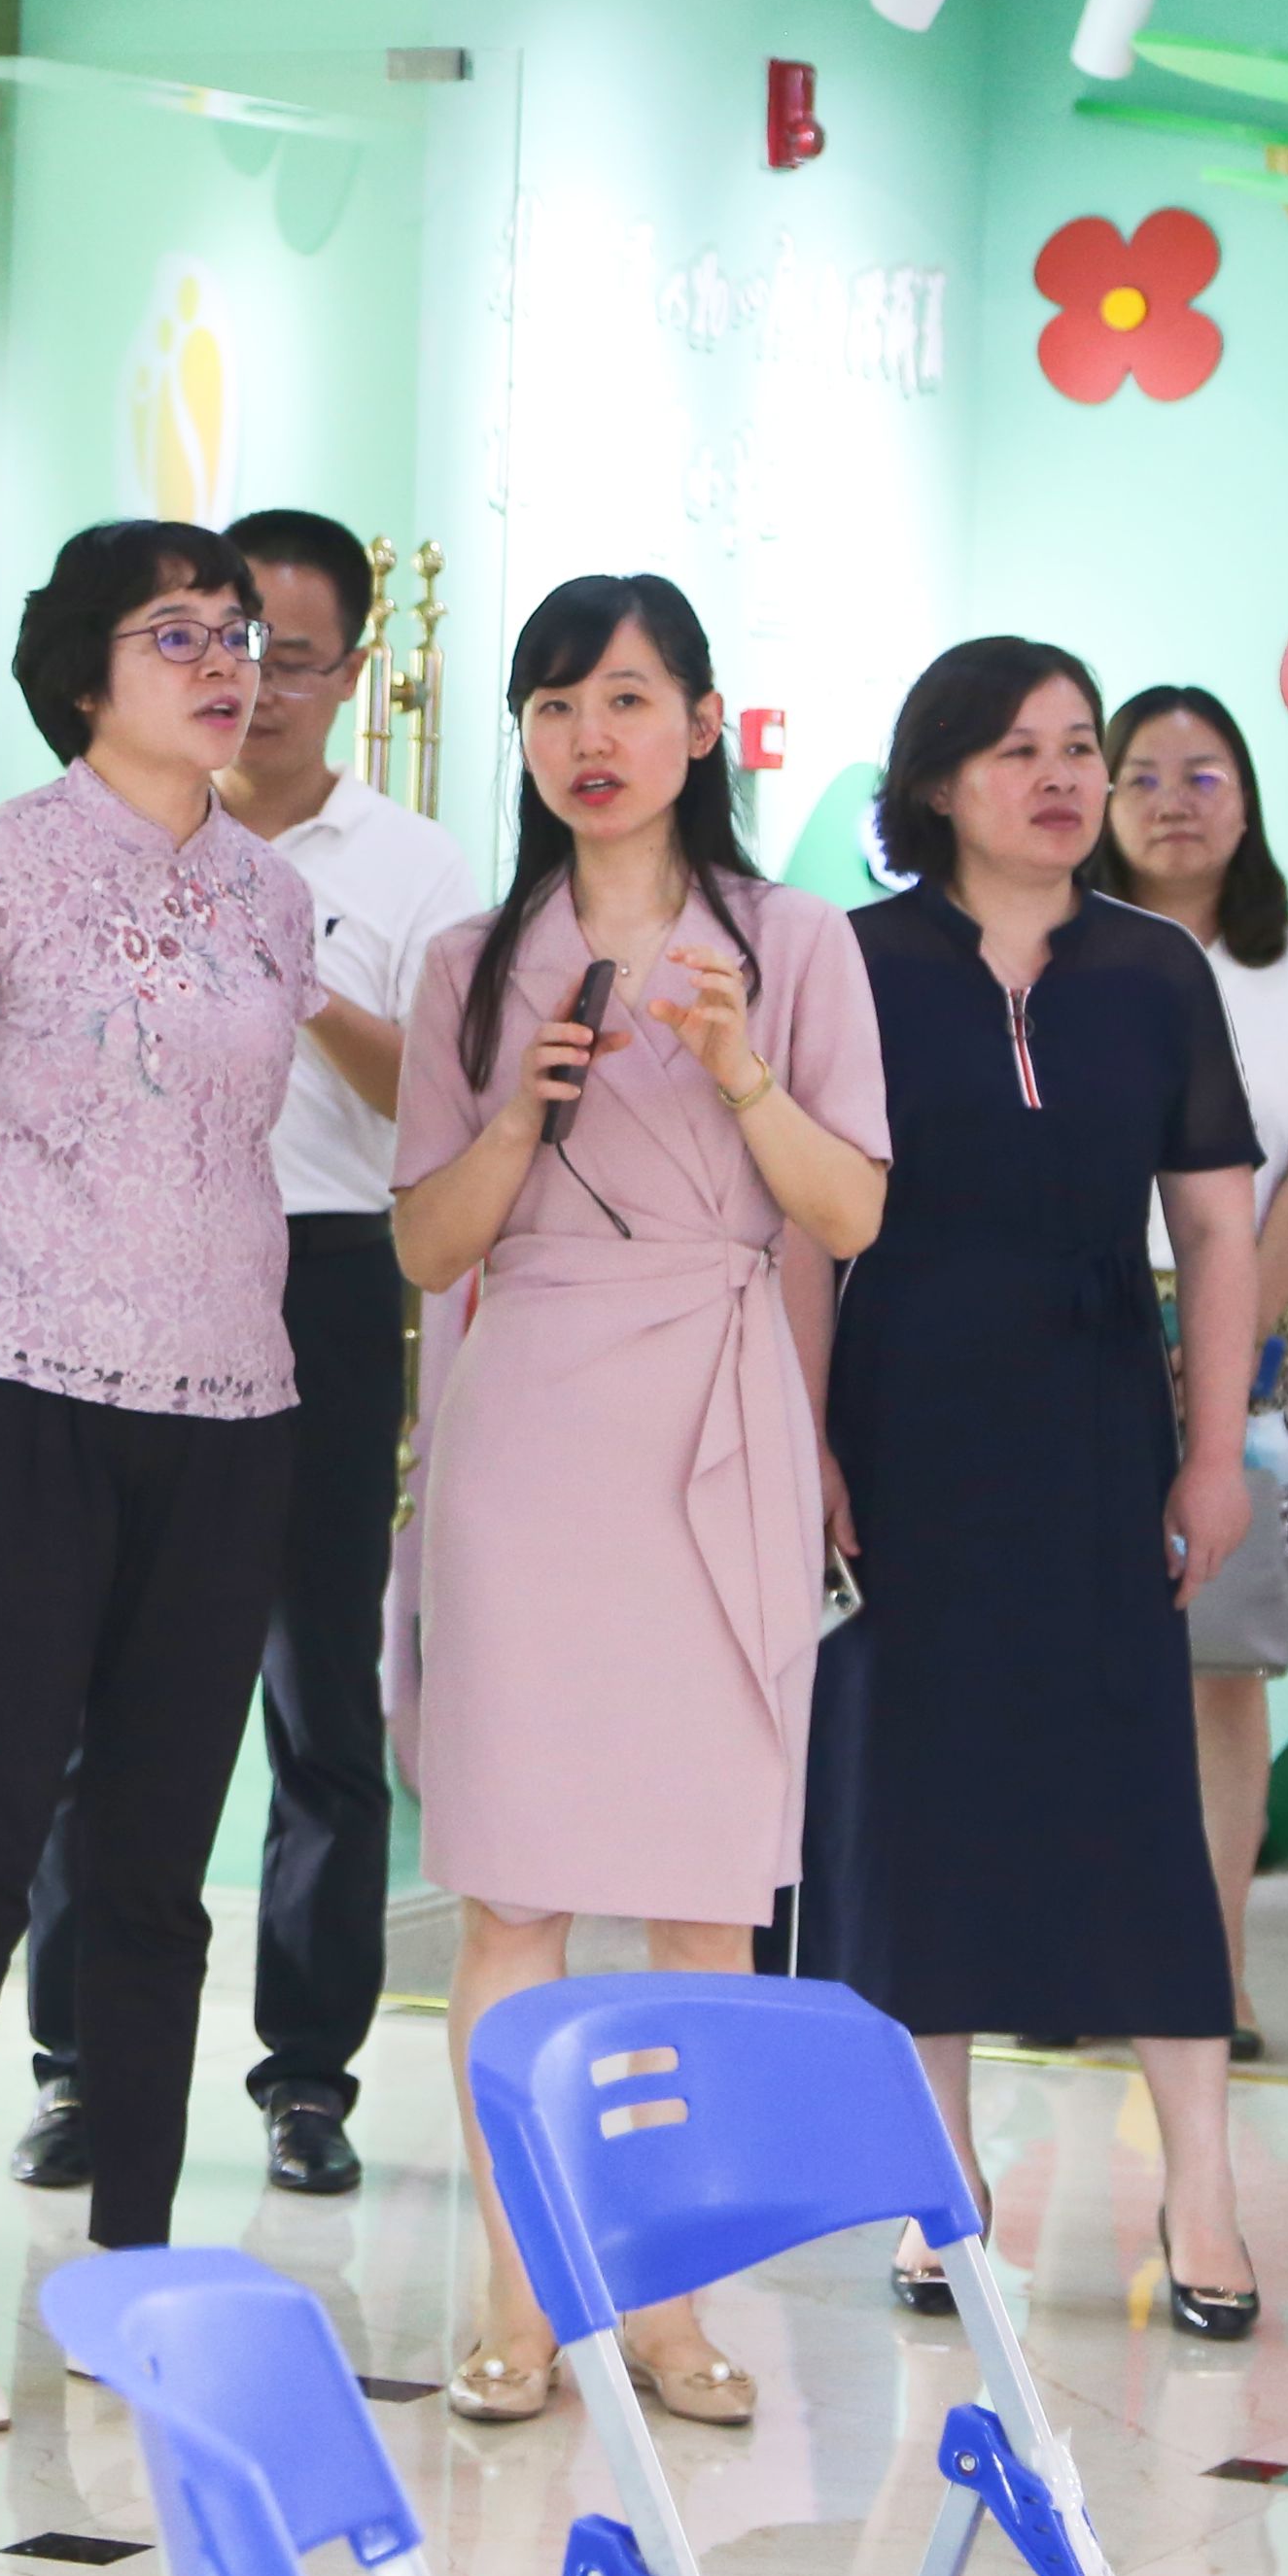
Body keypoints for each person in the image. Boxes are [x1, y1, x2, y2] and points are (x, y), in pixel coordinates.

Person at [0, 523, 322, 2433]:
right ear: (83, 671)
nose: (225, 665)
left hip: (229, 1414)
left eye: (240, 634)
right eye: (175, 634)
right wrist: (1, 1301)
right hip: (9, 1414)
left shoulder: (273, 897)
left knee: (155, 1866)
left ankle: (129, 2255)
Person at [399, 573, 888, 2421]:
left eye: (622, 698)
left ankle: (676, 2307)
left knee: (703, 1898)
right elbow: (425, 1246)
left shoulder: (795, 942)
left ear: (700, 722)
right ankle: (517, 2295)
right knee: (514, 1896)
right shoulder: (467, 961)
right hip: (527, 1428)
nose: (587, 739)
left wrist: (742, 1074)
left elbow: (850, 1211)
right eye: (550, 706)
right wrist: (516, 1117)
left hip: (715, 1412)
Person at [11, 511, 484, 2202]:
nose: (249, 679)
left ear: (351, 673)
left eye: (285, 653)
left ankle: (306, 2076)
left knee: (318, 1698)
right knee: (91, 1688)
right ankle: (78, 2063)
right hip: (116, 1278)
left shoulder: (412, 868)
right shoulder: (78, 844)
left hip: (324, 1277)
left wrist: (300, 982)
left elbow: (438, 1105)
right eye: (213, 642)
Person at [807, 643, 1262, 2332]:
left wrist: (1211, 1449)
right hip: (903, 1419)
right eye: (1019, 750)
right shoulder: (851, 964)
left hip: (1095, 1424)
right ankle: (942, 2186)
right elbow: (801, 1231)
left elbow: (1214, 1227)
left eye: (1081, 748)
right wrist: (808, 1438)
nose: (1065, 778)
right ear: (936, 781)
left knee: (1133, 1799)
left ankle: (1201, 2189)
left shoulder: (1154, 969)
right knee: (912, 1802)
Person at [1102, 681, 1288, 2060]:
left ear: (1249, 798)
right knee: (1077, 1658)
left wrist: (1229, 1324)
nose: (1174, 801)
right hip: (1084, 1325)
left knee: (1221, 1664)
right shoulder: (1065, 952)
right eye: (1143, 775)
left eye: (1204, 773)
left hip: (1259, 1331)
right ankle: (1082, 1959)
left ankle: (1213, 1973)